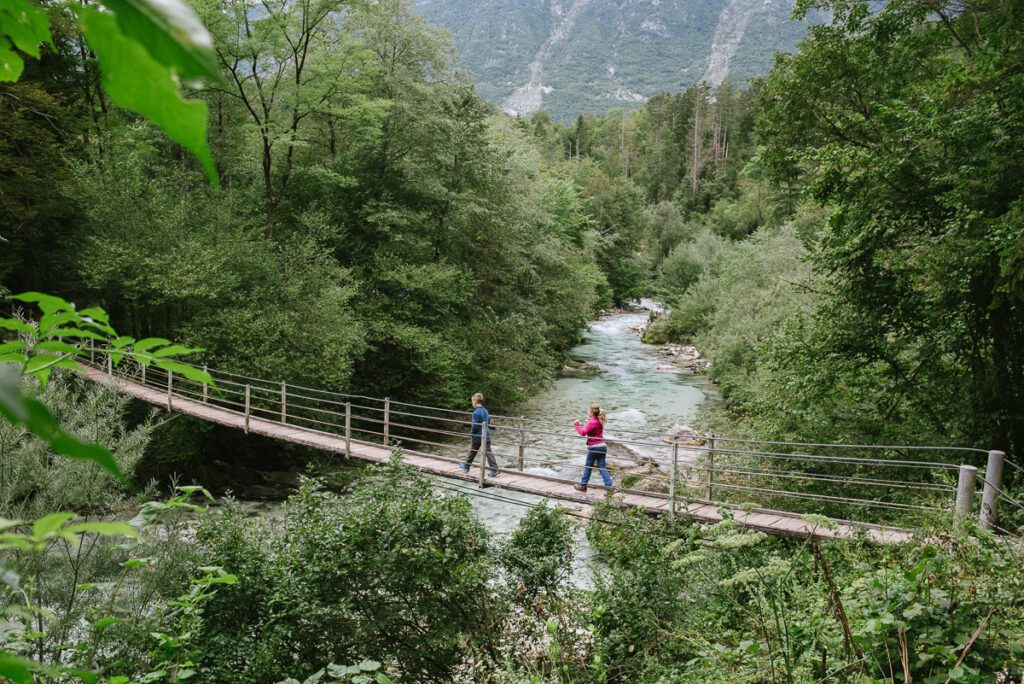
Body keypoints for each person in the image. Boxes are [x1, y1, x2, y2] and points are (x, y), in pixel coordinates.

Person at [573, 404, 612, 493]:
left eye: (588, 411)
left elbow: (582, 433)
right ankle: (609, 487)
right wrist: (588, 422)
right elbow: (594, 427)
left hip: (594, 448)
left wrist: (577, 425)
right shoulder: (599, 421)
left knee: (588, 466)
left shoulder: (591, 422)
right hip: (602, 446)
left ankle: (583, 486)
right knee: (602, 467)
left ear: (591, 412)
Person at [459, 392, 499, 477]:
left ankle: (467, 466)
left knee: (473, 450)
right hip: (486, 434)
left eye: (472, 401)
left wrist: (472, 433)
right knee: (487, 452)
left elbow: (475, 425)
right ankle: (494, 468)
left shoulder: (476, 412)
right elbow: (488, 422)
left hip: (478, 435)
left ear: (475, 401)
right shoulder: (485, 410)